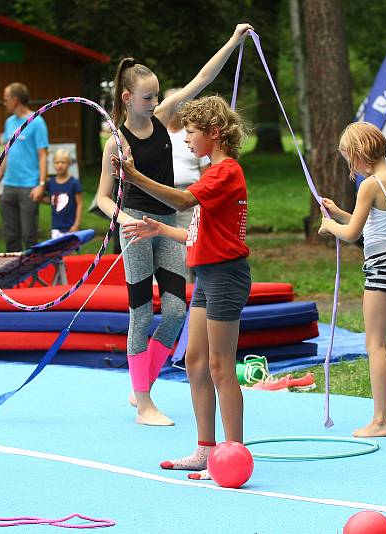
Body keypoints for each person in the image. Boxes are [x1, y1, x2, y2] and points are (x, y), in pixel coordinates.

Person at [96, 23, 254, 426]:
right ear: (128, 98)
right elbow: (100, 197)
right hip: (133, 227)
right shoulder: (116, 141)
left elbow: (202, 79)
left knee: (176, 310)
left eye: (156, 95)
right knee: (140, 312)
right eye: (147, 97)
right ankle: (144, 400)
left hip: (166, 220)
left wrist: (233, 42)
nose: (155, 102)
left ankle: (141, 380)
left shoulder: (164, 118)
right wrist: (125, 218)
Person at [118, 95, 251, 480]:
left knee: (220, 365)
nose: (186, 139)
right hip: (209, 273)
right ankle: (205, 449)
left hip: (226, 274)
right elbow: (197, 231)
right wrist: (159, 229)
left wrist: (135, 175)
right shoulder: (213, 174)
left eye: (191, 132)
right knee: (195, 362)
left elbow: (180, 199)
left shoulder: (225, 173)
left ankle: (233, 453)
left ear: (214, 133)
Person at [318, 121, 386, 438]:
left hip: (383, 268)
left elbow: (350, 235)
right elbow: (373, 227)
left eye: (350, 157)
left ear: (360, 152)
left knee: (375, 344)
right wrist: (338, 212)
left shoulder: (370, 184)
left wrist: (329, 226)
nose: (351, 165)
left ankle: (379, 420)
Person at [0, 82, 49, 252]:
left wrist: (41, 184)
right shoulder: (9, 122)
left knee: (29, 235)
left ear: (15, 100)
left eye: (6, 99)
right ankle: (14, 276)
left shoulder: (36, 122)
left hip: (29, 186)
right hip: (9, 186)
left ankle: (33, 275)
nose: (4, 103)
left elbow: (42, 155)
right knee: (10, 236)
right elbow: (6, 155)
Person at [165, 87, 211, 282]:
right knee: (163, 249)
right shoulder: (155, 133)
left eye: (181, 102)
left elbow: (206, 170)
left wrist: (202, 200)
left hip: (190, 197)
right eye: (172, 102)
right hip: (162, 198)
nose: (177, 107)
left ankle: (187, 295)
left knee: (188, 250)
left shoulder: (193, 134)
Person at [43, 149, 83, 239]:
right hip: (56, 227)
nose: (60, 165)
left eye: (63, 162)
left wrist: (76, 224)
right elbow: (52, 200)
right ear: (53, 164)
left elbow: (80, 203)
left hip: (71, 226)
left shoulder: (74, 183)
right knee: (56, 251)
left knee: (70, 251)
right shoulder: (51, 182)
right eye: (57, 162)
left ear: (69, 163)